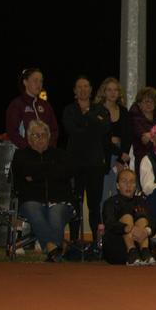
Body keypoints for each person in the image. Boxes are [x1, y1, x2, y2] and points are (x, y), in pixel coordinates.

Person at [11, 120, 72, 261]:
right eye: (35, 135)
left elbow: (65, 173)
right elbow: (24, 173)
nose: (40, 138)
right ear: (28, 138)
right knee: (34, 209)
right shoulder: (20, 155)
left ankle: (52, 250)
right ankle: (54, 247)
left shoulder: (60, 155)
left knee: (56, 212)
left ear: (49, 137)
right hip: (31, 200)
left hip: (59, 199)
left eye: (43, 135)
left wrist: (36, 173)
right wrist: (50, 169)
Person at [62, 76, 109, 243]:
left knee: (94, 206)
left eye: (86, 86)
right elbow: (72, 130)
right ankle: (74, 241)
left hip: (95, 164)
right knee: (75, 204)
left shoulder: (101, 109)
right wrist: (92, 122)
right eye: (79, 87)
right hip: (74, 163)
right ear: (75, 91)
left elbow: (104, 129)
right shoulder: (69, 110)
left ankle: (98, 243)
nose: (83, 90)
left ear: (91, 89)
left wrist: (86, 119)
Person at [101, 168, 156, 265]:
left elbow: (153, 224)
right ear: (117, 185)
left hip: (140, 242)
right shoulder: (110, 203)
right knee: (127, 218)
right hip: (117, 246)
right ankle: (132, 252)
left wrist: (145, 231)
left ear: (136, 186)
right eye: (124, 181)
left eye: (132, 182)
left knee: (142, 220)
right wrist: (128, 228)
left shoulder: (141, 201)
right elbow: (109, 223)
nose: (128, 185)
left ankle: (145, 252)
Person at [95, 77, 132, 212]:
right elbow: (101, 138)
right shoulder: (97, 110)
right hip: (103, 157)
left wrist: (121, 158)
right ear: (104, 92)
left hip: (120, 158)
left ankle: (119, 227)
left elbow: (128, 136)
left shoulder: (123, 111)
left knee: (120, 195)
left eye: (115, 90)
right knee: (104, 195)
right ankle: (103, 227)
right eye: (109, 90)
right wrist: (116, 149)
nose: (112, 93)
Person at [6, 68, 58, 149]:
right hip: (25, 155)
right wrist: (28, 147)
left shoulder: (46, 105)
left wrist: (48, 146)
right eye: (35, 80)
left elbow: (54, 130)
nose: (39, 84)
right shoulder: (17, 104)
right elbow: (12, 131)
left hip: (45, 154)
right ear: (25, 82)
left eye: (41, 81)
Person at [129, 86, 156, 171]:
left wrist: (151, 135)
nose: (149, 104)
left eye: (152, 101)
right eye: (145, 101)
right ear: (139, 104)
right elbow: (144, 140)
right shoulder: (134, 118)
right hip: (143, 159)